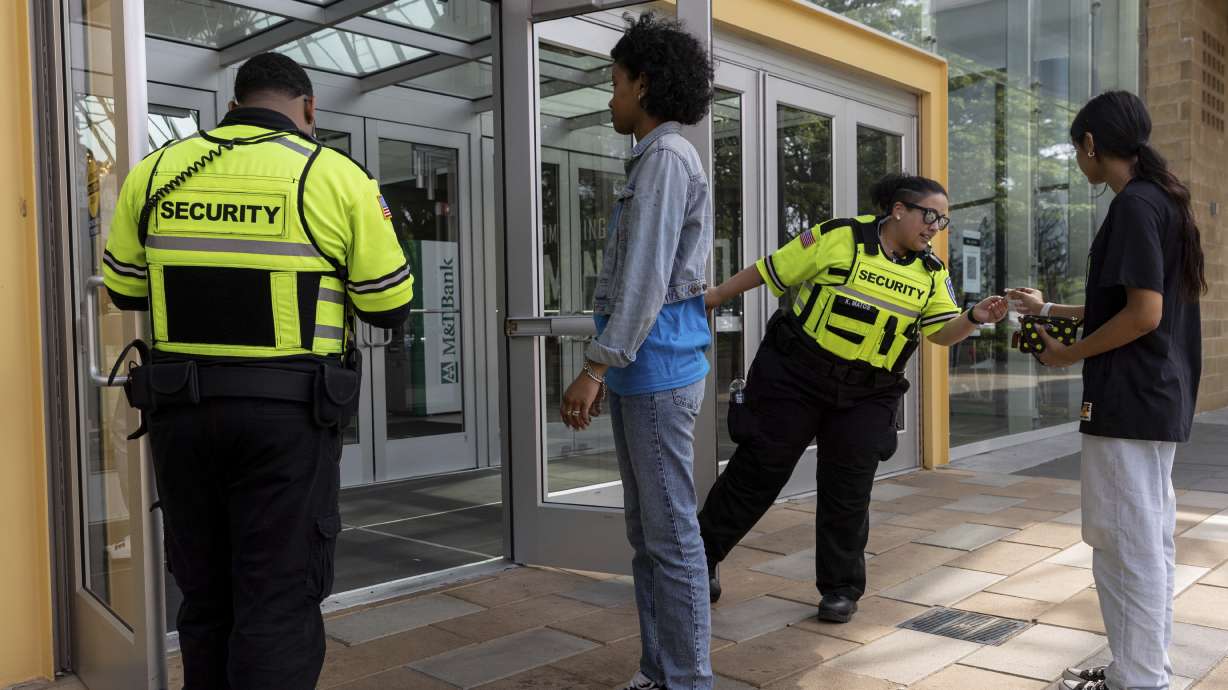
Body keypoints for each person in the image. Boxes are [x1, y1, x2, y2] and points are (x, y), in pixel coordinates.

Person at [102, 53, 414, 689]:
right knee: (277, 600)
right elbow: (388, 303)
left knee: (206, 596)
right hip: (288, 421)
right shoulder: (334, 175)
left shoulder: (157, 171)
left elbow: (125, 290)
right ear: (308, 108)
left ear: (234, 101)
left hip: (181, 414)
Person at [699, 173, 1008, 623]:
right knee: (759, 470)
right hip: (796, 374)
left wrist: (975, 317)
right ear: (898, 209)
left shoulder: (931, 273)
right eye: (929, 216)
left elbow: (941, 333)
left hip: (870, 391)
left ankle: (841, 589)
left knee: (849, 488)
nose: (934, 228)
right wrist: (713, 297)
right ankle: (699, 558)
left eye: (942, 221)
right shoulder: (839, 236)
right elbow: (771, 269)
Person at [1008, 91, 1205, 690]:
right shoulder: (1159, 200)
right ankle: (1138, 669)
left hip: (1130, 402)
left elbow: (1143, 315)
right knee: (1140, 541)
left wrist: (1066, 353)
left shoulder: (1134, 206)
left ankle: (1140, 679)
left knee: (1125, 545)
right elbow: (1129, 303)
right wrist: (1052, 308)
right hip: (1151, 400)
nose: (1077, 160)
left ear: (1092, 145)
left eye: (1076, 148)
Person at [558, 13, 715, 690]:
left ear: (644, 84)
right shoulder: (654, 159)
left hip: (654, 371)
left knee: (672, 539)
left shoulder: (667, 160)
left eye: (615, 82)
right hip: (642, 374)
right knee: (651, 537)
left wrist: (595, 366)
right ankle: (660, 673)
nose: (610, 96)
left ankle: (684, 680)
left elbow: (645, 279)